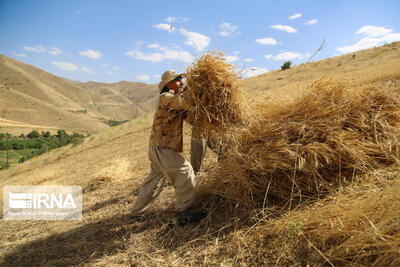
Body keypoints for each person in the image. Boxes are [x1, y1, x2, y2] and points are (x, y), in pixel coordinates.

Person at [130, 70, 206, 225]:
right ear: (167, 84)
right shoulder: (166, 97)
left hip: (157, 147)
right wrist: (197, 88)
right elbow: (185, 102)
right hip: (163, 148)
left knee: (154, 180)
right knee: (185, 172)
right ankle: (184, 212)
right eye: (177, 80)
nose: (180, 83)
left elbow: (188, 114)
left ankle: (137, 212)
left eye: (181, 80)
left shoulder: (173, 100)